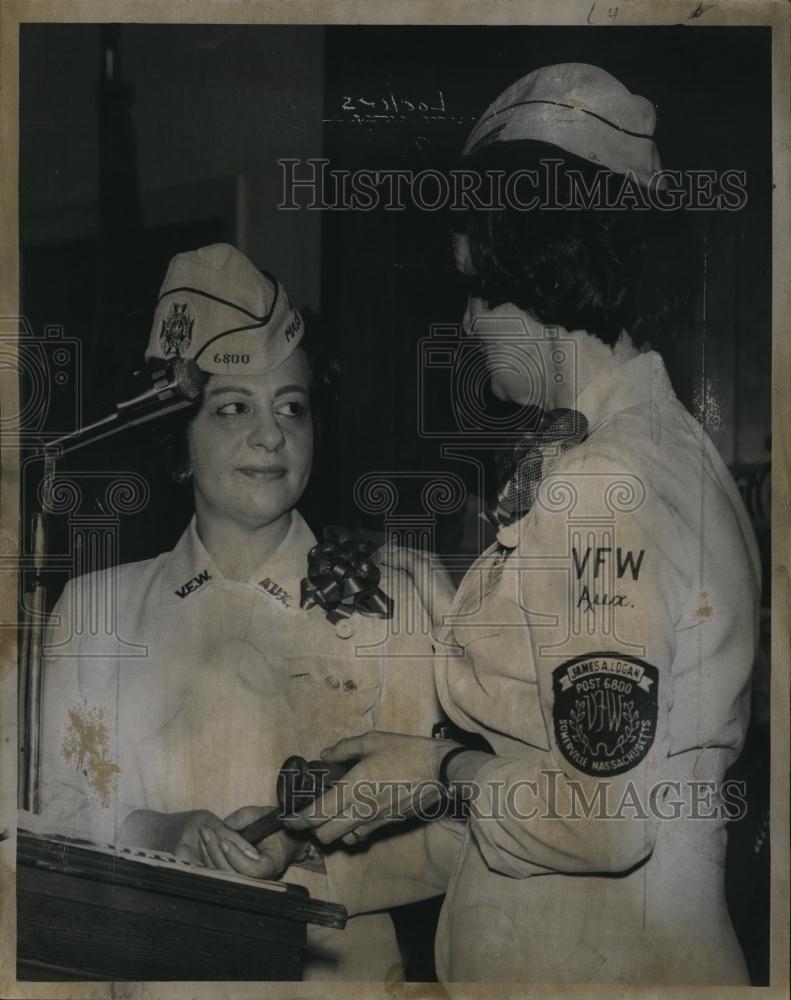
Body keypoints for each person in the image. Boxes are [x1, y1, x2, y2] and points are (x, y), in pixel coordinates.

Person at [285, 64, 762, 985]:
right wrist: (324, 851)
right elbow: (539, 789)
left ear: (535, 271)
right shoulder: (661, 453)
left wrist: (433, 769)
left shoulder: (603, 485)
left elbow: (601, 821)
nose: (466, 323)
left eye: (476, 289)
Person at [35, 243, 456, 981]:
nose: (271, 435)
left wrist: (310, 847)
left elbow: (457, 824)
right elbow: (58, 814)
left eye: (291, 406)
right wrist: (165, 835)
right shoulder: (98, 608)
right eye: (233, 407)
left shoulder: (403, 594)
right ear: (179, 440)